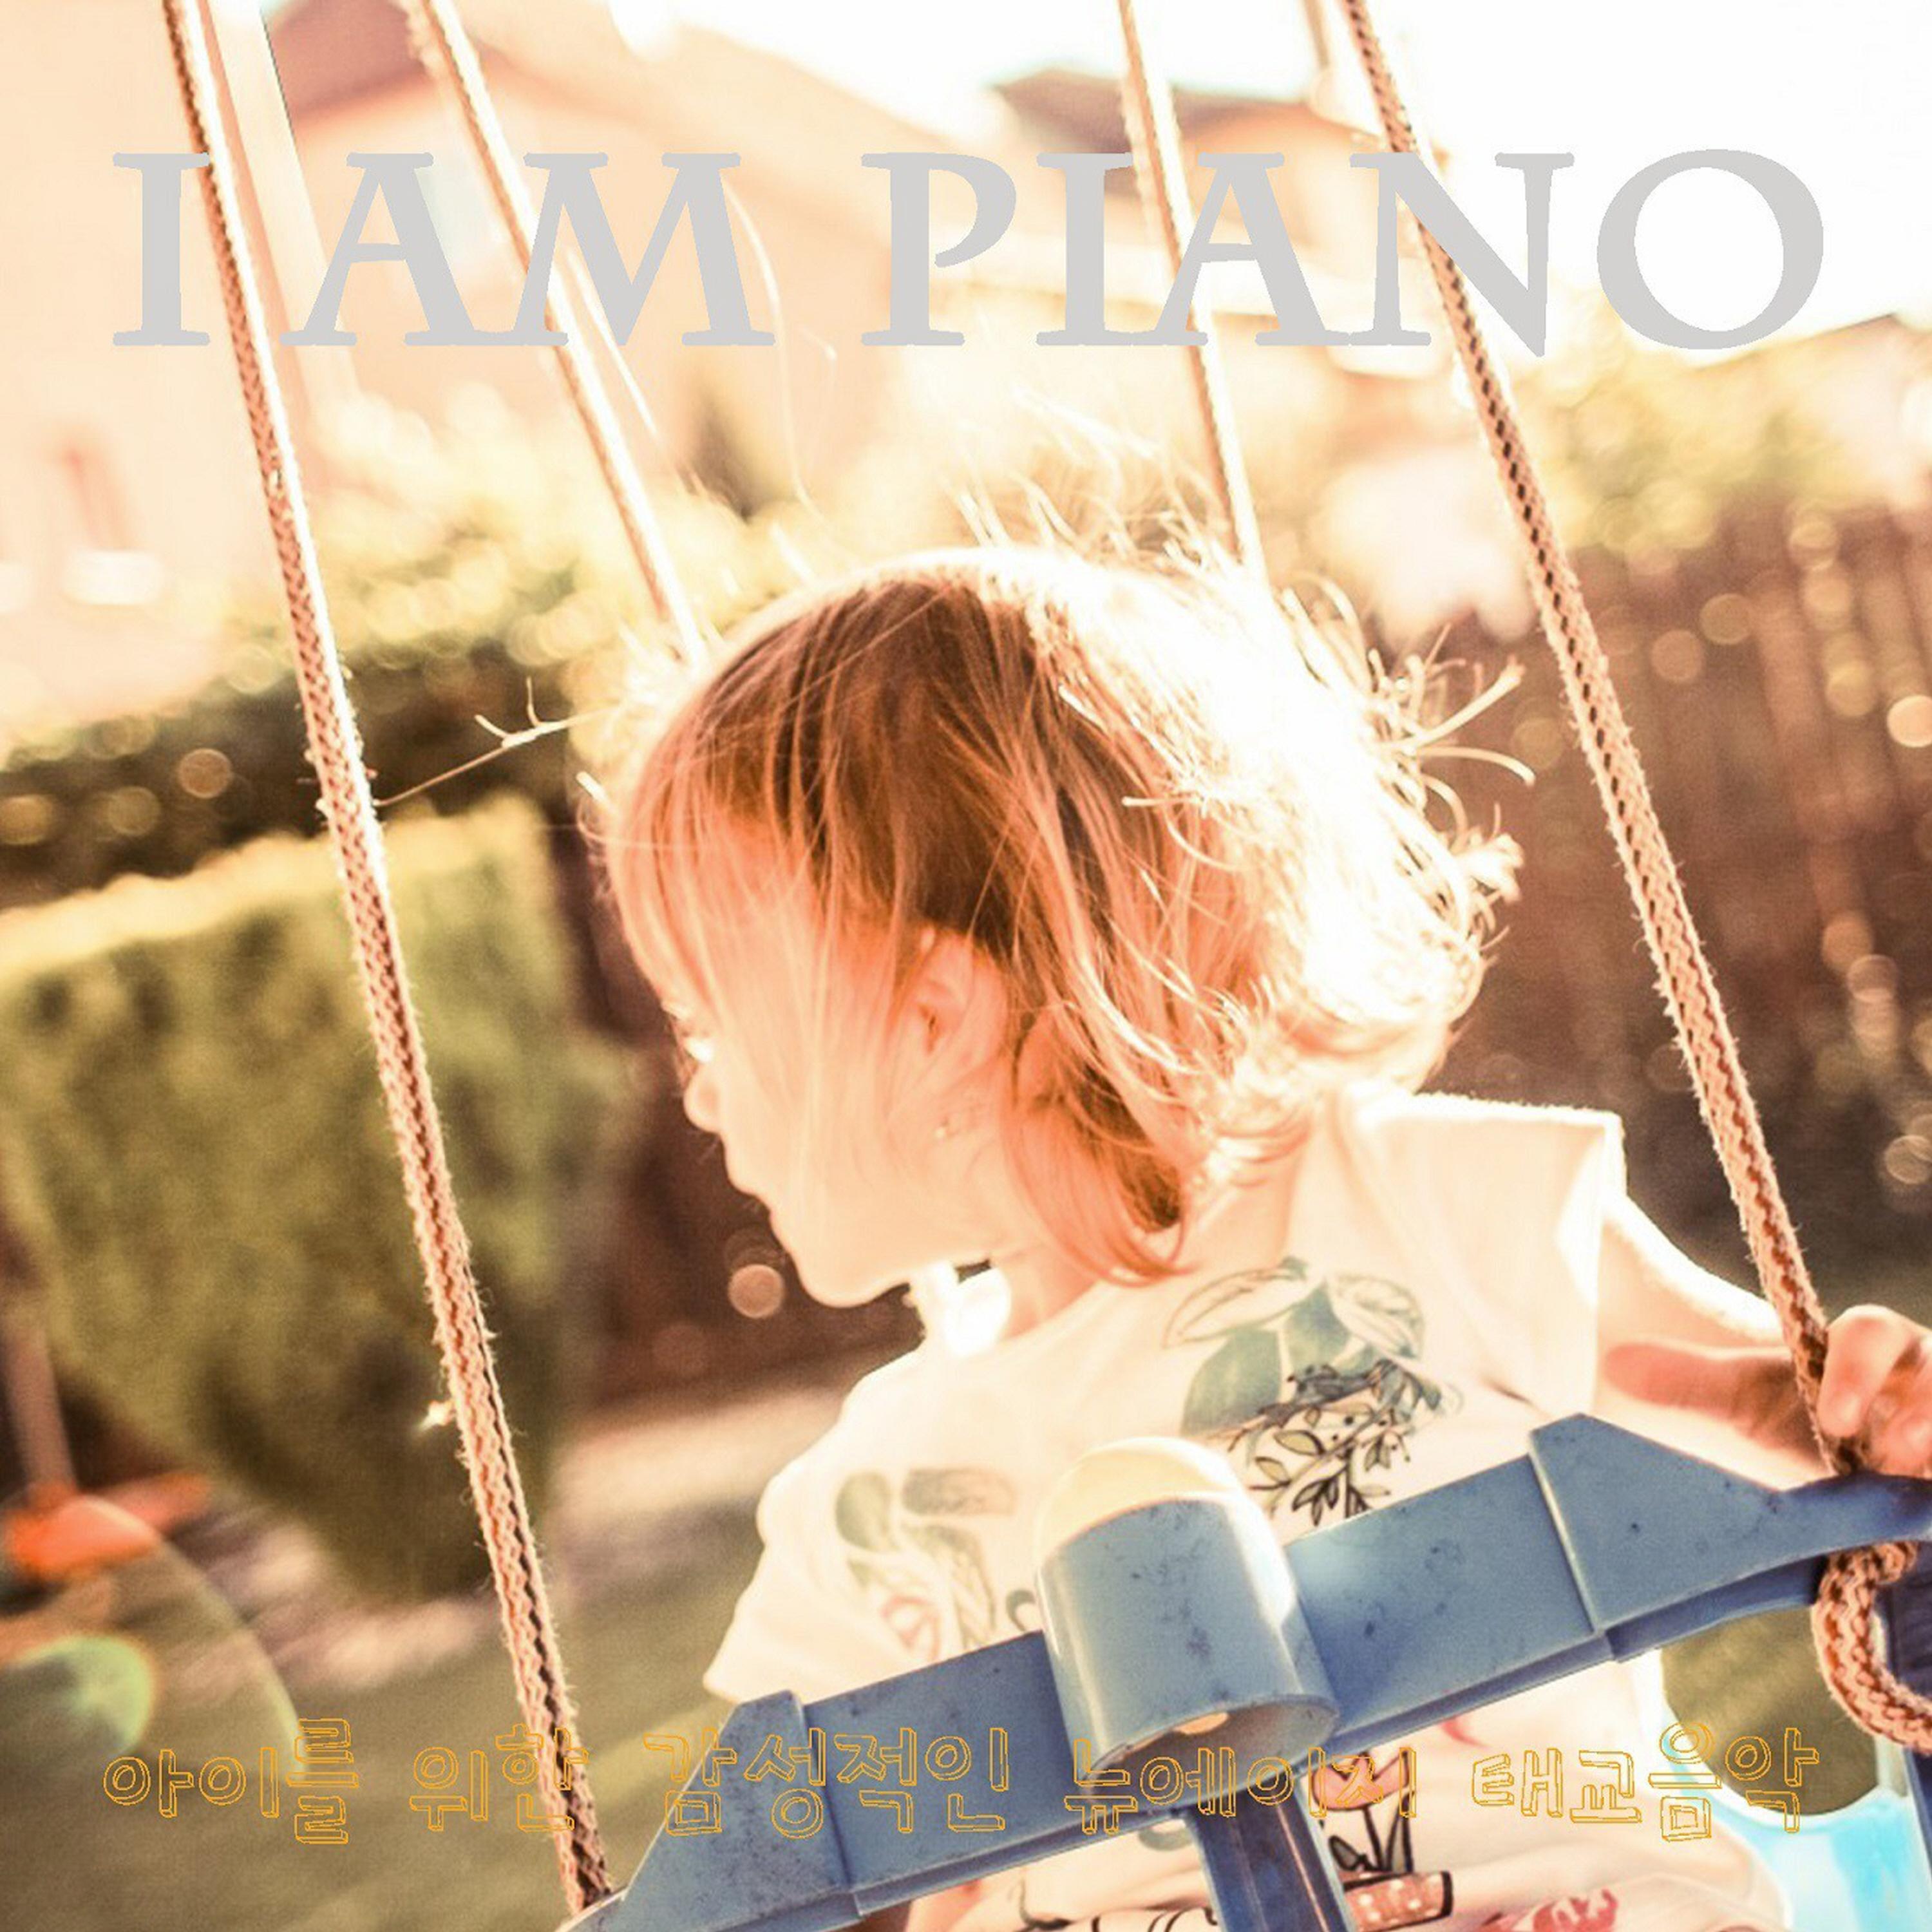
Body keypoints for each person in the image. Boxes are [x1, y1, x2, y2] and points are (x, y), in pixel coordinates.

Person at [590, 535, 1932, 1932]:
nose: (696, 1088)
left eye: (708, 1023)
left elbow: (1803, 1426)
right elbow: (774, 1888)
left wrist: (1862, 1404)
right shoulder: (867, 1506)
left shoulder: (1434, 1209)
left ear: (937, 1016)